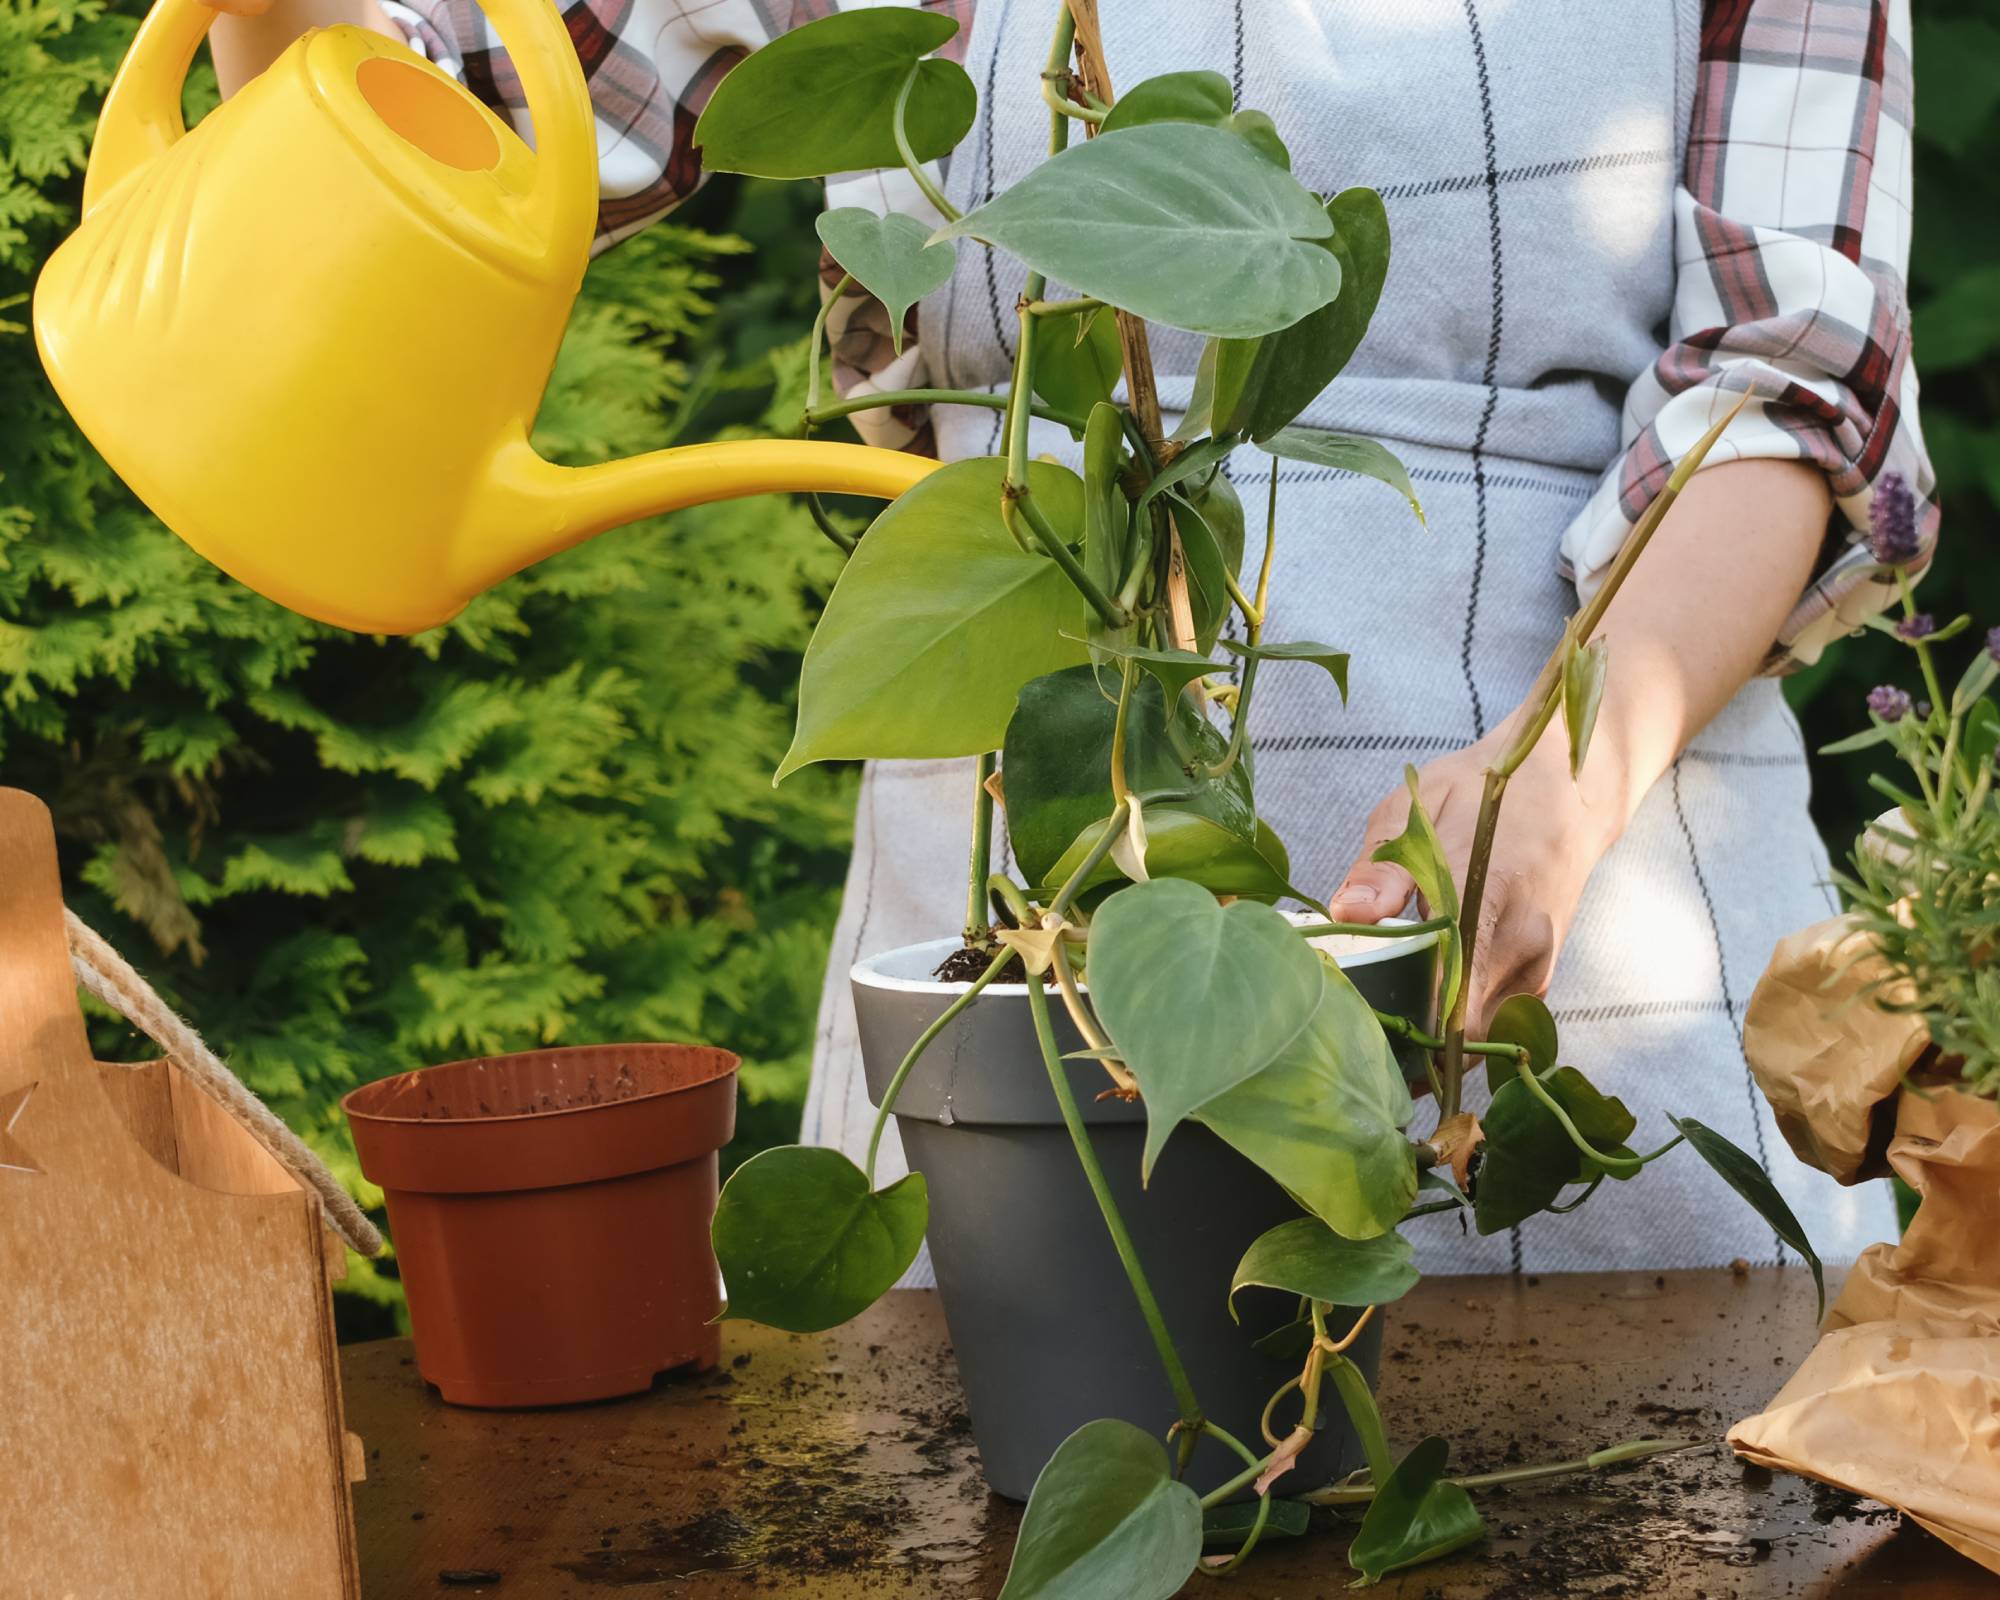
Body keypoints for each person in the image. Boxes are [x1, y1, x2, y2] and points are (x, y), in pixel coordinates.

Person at [205, 0, 1932, 1275]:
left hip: (1598, 970)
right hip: (1017, 969)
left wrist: (1562, 773)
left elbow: (1784, 384)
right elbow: (438, 122)